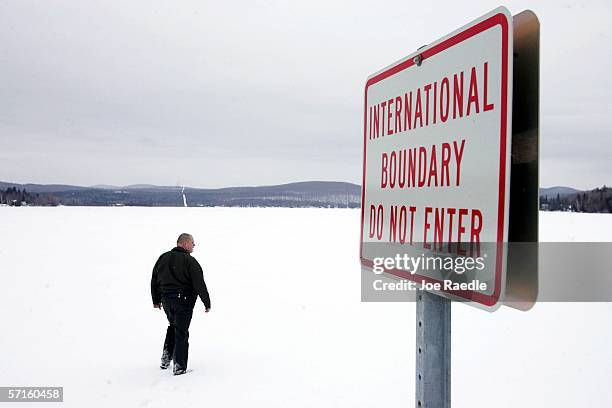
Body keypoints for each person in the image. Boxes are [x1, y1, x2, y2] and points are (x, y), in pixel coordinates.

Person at [151, 233, 211, 375]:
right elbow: (199, 283)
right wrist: (206, 302)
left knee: (173, 326)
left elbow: (154, 279)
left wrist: (156, 300)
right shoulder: (189, 261)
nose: (194, 245)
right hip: (183, 301)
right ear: (184, 243)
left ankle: (166, 360)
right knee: (181, 332)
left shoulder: (163, 258)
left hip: (166, 301)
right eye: (192, 242)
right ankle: (180, 366)